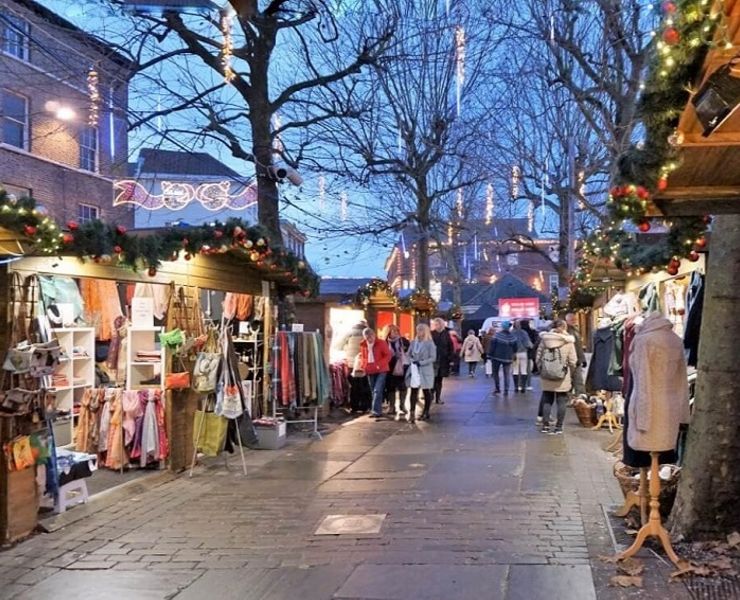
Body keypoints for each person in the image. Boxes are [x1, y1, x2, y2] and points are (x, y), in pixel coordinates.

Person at [536, 319, 577, 434]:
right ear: (564, 327)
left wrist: (542, 369)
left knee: (547, 399)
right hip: (562, 375)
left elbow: (538, 356)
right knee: (561, 401)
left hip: (546, 375)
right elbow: (573, 360)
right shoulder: (568, 341)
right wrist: (570, 371)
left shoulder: (545, 339)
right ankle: (558, 427)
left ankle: (545, 426)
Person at [406, 323, 437, 422]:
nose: (419, 332)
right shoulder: (413, 342)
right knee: (413, 390)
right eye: (418, 330)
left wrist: (421, 362)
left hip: (425, 370)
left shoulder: (430, 343)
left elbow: (433, 357)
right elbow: (408, 353)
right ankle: (411, 413)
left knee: (426, 391)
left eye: (421, 330)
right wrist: (411, 359)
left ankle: (426, 411)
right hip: (414, 369)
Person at [359, 328, 392, 418]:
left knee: (377, 390)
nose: (369, 340)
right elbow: (363, 356)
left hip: (381, 369)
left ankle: (375, 411)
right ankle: (378, 410)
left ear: (374, 335)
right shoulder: (363, 345)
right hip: (370, 369)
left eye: (370, 337)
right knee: (374, 390)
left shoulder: (381, 343)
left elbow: (388, 355)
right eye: (367, 338)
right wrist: (363, 366)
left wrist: (379, 364)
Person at [383, 324, 410, 419]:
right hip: (389, 367)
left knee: (403, 386)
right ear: (388, 332)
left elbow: (409, 352)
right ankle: (392, 406)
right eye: (393, 331)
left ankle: (402, 405)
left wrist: (403, 352)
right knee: (391, 387)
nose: (395, 333)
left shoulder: (403, 341)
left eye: (397, 331)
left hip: (402, 367)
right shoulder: (385, 342)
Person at [487, 321, 518, 394]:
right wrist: (513, 354)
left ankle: (497, 388)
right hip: (508, 358)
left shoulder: (497, 335)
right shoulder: (512, 337)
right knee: (506, 374)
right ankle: (506, 390)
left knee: (495, 373)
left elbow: (492, 346)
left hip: (496, 357)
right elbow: (515, 348)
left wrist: (489, 355)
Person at [430, 318, 453, 405]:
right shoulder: (431, 334)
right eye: (436, 324)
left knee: (439, 380)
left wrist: (450, 359)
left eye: (438, 324)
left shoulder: (446, 334)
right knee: (432, 379)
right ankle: (431, 395)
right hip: (433, 360)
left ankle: (438, 398)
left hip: (443, 360)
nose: (437, 326)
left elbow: (450, 347)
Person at [565, 312, 587, 398]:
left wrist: (582, 359)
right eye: (572, 320)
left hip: (577, 359)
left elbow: (579, 347)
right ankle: (569, 398)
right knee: (570, 381)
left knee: (578, 380)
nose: (574, 321)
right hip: (570, 360)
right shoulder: (566, 331)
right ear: (567, 320)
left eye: (575, 319)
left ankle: (580, 398)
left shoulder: (575, 330)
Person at [512, 320, 533, 393]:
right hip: (523, 353)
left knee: (515, 370)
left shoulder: (511, 333)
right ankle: (523, 387)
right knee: (524, 370)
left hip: (514, 354)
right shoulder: (524, 332)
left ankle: (516, 387)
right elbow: (528, 344)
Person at [520, 319, 539, 390]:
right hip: (529, 353)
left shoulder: (518, 332)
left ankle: (520, 384)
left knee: (520, 370)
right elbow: (536, 342)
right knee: (528, 370)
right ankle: (528, 385)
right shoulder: (533, 332)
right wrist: (533, 348)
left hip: (519, 352)